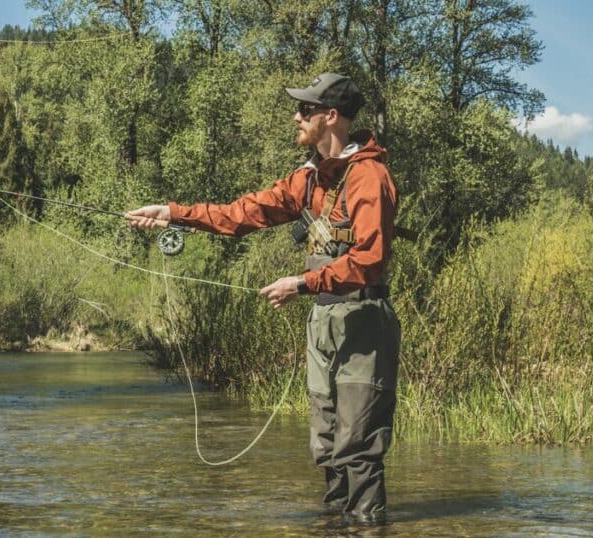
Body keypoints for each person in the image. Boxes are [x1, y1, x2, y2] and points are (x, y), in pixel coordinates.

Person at [127, 72, 400, 524]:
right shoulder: (308, 179)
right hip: (323, 323)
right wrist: (174, 214)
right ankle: (336, 529)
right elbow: (241, 214)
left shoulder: (368, 175)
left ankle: (369, 528)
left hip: (365, 323)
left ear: (331, 117)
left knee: (358, 448)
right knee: (327, 446)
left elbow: (371, 257)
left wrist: (302, 284)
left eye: (306, 110)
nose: (297, 116)